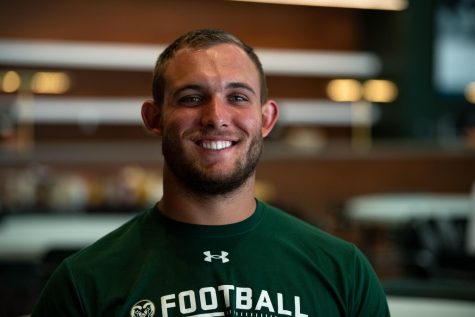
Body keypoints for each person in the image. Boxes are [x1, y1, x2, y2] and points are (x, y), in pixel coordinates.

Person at [31, 29, 390, 317]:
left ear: (266, 119)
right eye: (191, 98)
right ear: (153, 119)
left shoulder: (343, 271)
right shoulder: (83, 283)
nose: (216, 116)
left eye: (237, 97)